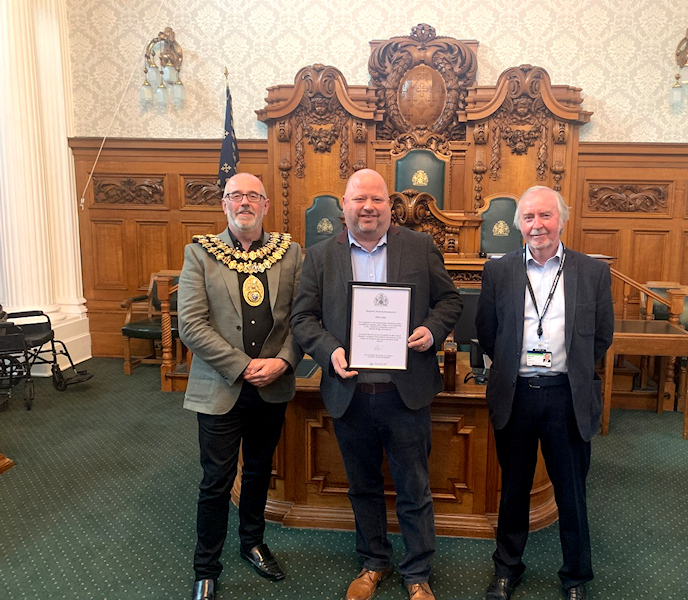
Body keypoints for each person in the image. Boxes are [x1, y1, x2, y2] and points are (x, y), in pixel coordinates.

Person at [290, 169, 462, 600]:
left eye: (377, 200)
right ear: (343, 206)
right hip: (350, 395)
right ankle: (373, 562)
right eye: (359, 199)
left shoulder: (419, 247)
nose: (368, 207)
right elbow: (302, 319)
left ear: (390, 205)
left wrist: (431, 330)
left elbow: (449, 301)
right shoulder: (319, 256)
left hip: (404, 394)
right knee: (362, 485)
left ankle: (418, 572)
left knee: (414, 487)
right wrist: (330, 350)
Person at [476, 186, 614, 600]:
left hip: (566, 397)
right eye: (529, 217)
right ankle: (507, 569)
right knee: (514, 489)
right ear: (519, 225)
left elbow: (602, 336)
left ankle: (576, 576)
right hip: (516, 396)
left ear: (562, 219)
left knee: (571, 493)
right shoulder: (498, 271)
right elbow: (487, 332)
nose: (538, 225)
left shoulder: (592, 272)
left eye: (546, 216)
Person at [178, 172, 303, 600]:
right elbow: (191, 326)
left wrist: (284, 361)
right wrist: (245, 366)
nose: (244, 202)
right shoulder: (199, 254)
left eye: (253, 195)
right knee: (216, 481)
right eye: (236, 195)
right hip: (220, 385)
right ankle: (206, 567)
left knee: (258, 472)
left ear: (266, 205)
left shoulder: (290, 253)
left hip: (273, 385)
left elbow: (302, 319)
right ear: (224, 204)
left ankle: (252, 542)